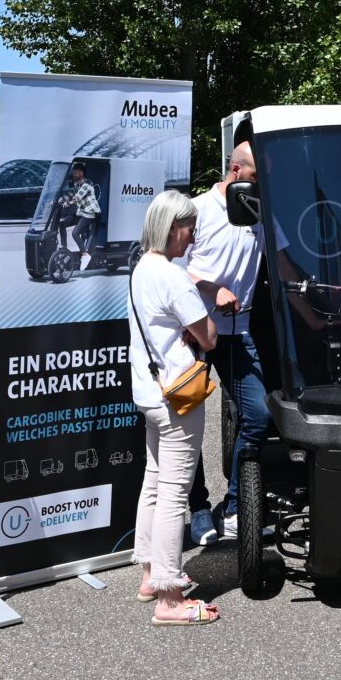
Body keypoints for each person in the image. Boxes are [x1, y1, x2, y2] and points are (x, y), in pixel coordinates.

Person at [127, 189, 220, 625]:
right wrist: (198, 331)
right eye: (189, 228)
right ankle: (169, 597)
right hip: (178, 396)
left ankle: (149, 575)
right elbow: (209, 337)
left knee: (154, 482)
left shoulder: (140, 269)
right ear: (172, 227)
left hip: (149, 395)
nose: (193, 236)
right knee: (174, 493)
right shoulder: (172, 275)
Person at [183, 141, 268, 541]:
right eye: (255, 175)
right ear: (235, 170)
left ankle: (234, 507)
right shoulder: (197, 210)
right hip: (194, 333)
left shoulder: (262, 210)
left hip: (240, 334)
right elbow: (170, 269)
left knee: (259, 415)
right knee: (188, 423)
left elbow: (285, 262)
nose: (261, 182)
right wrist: (211, 288)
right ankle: (198, 508)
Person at [70, 162, 101, 271]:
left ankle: (84, 254)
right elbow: (70, 194)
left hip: (89, 214)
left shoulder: (87, 183)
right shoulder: (76, 184)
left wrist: (71, 201)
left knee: (75, 233)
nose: (74, 174)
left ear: (82, 173)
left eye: (76, 172)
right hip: (82, 213)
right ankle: (64, 248)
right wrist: (60, 201)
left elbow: (78, 196)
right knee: (62, 223)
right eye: (73, 172)